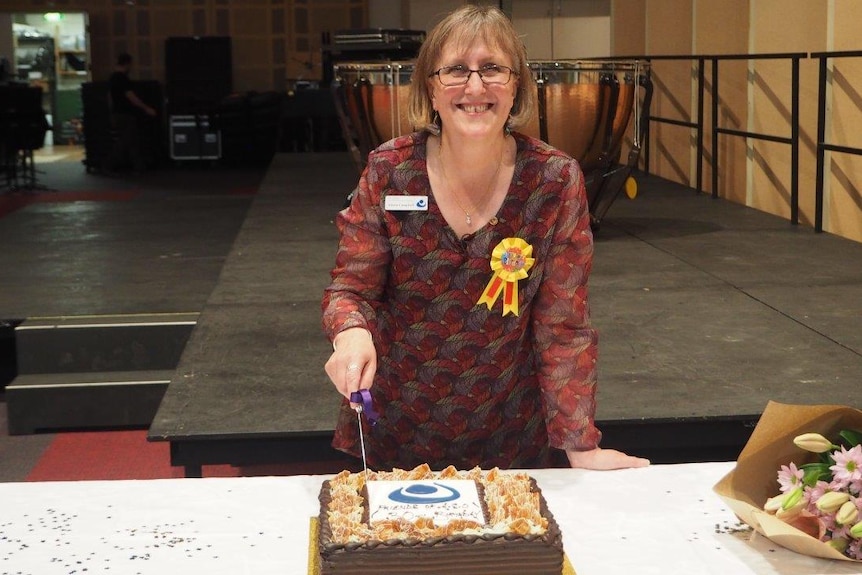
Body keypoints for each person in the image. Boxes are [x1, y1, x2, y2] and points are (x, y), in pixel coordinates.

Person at [322, 4, 649, 472]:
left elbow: (563, 324)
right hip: (396, 430)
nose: (475, 87)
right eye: (455, 70)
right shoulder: (390, 170)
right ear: (430, 89)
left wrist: (580, 445)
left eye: (493, 69)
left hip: (511, 439)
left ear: (516, 87)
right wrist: (351, 334)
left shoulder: (554, 181)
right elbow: (350, 290)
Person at [108, 52, 156, 172]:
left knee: (131, 141)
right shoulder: (123, 79)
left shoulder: (112, 78)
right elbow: (131, 97)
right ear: (128, 64)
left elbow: (109, 97)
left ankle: (138, 167)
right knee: (126, 141)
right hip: (125, 114)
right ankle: (109, 164)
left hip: (117, 113)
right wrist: (146, 108)